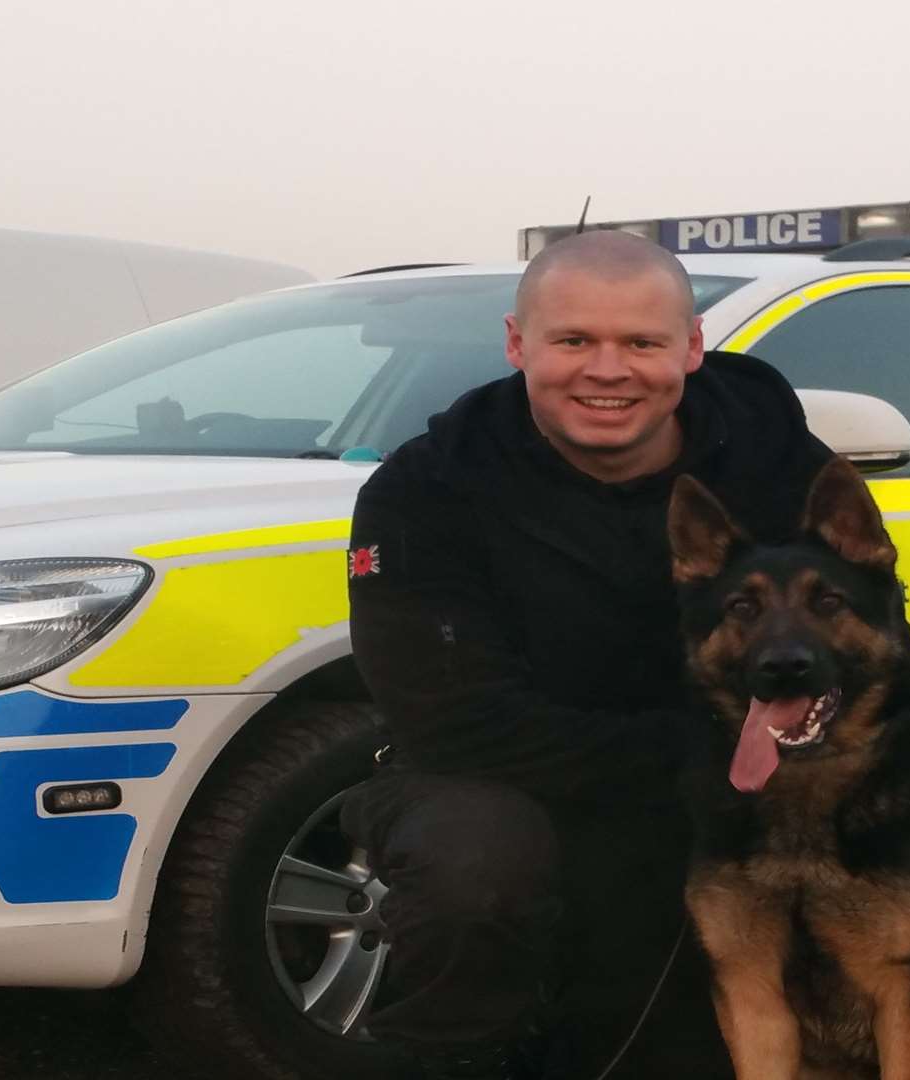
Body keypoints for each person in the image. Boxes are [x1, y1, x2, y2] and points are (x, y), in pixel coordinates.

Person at [339, 230, 838, 1079]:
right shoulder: (425, 490)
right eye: (573, 340)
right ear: (516, 343)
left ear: (690, 346)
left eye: (641, 343)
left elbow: (874, 665)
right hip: (504, 779)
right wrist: (707, 758)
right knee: (475, 858)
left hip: (718, 779)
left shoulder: (778, 461)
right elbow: (459, 726)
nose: (607, 371)